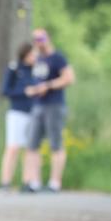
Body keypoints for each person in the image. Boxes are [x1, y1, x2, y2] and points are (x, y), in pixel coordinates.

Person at [22, 28, 75, 193]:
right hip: (38, 105)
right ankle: (34, 182)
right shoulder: (37, 59)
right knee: (32, 143)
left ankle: (54, 183)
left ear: (48, 39)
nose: (38, 42)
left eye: (41, 38)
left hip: (54, 105)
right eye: (35, 39)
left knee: (55, 143)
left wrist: (49, 86)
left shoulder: (57, 58)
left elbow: (69, 78)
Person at [0, 42, 36, 189]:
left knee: (28, 148)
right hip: (17, 112)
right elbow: (5, 91)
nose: (35, 57)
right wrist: (24, 92)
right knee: (13, 147)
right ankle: (6, 181)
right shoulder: (14, 69)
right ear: (25, 54)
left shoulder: (36, 70)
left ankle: (27, 181)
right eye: (32, 54)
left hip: (32, 113)